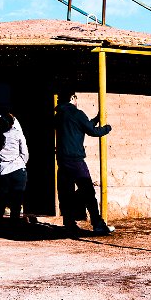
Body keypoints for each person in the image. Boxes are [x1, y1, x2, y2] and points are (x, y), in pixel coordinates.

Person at [55, 90, 115, 235]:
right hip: (76, 160)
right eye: (76, 98)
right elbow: (92, 131)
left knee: (65, 193)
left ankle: (69, 223)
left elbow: (82, 126)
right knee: (88, 191)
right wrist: (107, 128)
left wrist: (95, 120)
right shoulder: (77, 113)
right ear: (72, 97)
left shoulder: (59, 115)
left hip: (62, 160)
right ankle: (98, 223)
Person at [0, 113, 29, 234]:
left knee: (0, 201)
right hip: (18, 170)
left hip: (3, 172)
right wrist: (21, 163)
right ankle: (14, 228)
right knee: (16, 202)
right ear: (12, 123)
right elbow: (25, 153)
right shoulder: (17, 134)